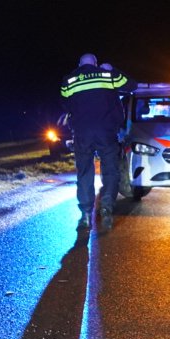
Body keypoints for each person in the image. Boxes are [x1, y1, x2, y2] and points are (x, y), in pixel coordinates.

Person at [61, 52, 131, 228]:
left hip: (82, 133)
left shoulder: (69, 80)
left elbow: (64, 102)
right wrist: (112, 69)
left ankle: (85, 213)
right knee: (110, 170)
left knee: (84, 171)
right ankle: (106, 206)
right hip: (106, 131)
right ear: (96, 63)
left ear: (79, 64)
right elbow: (132, 85)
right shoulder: (108, 76)